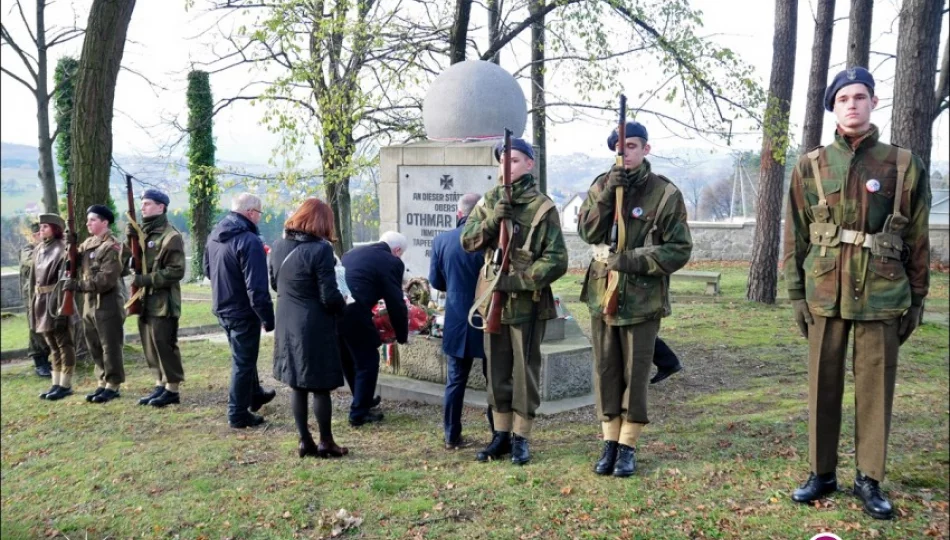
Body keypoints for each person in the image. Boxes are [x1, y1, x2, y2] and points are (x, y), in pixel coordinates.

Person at [785, 67, 931, 520]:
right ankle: (821, 472)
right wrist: (794, 293)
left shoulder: (901, 163)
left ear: (874, 103)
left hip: (883, 293)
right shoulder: (811, 164)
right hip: (824, 290)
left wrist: (918, 298)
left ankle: (869, 478)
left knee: (875, 389)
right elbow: (796, 235)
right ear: (833, 106)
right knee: (821, 386)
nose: (852, 104)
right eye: (844, 97)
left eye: (861, 96)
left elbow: (919, 238)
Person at [577, 121, 693, 477]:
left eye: (632, 145)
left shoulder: (664, 193)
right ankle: (609, 441)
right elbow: (587, 231)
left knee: (636, 372)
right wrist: (607, 195)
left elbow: (679, 249)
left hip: (642, 298)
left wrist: (630, 261)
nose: (624, 152)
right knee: (606, 370)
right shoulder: (601, 184)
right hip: (602, 293)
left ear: (646, 149)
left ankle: (628, 445)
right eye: (619, 147)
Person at [461, 137, 568, 466]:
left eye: (515, 160)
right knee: (497, 372)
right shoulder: (490, 200)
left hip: (527, 304)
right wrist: (493, 221)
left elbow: (557, 259)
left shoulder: (542, 207)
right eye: (502, 161)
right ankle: (501, 435)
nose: (507, 167)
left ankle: (521, 437)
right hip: (493, 302)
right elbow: (467, 240)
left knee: (524, 373)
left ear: (529, 165)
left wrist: (519, 281)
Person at [269, 198, 349, 457]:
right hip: (312, 323)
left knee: (297, 383)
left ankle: (305, 440)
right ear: (323, 222)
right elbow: (328, 295)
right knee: (320, 385)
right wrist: (345, 304)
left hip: (285, 319)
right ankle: (326, 441)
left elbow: (274, 283)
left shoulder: (279, 245)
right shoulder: (321, 250)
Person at [205, 193, 277, 428]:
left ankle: (254, 394)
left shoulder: (215, 235)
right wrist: (267, 317)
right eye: (259, 214)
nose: (259, 218)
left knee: (244, 356)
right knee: (243, 362)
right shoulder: (249, 241)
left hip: (222, 306)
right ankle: (237, 413)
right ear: (250, 212)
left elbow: (208, 269)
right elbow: (257, 288)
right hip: (242, 311)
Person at [429, 193, 494, 450]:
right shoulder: (492, 239)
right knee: (496, 379)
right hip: (489, 314)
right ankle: (498, 432)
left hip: (457, 315)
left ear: (458, 214)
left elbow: (435, 281)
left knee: (455, 380)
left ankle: (451, 435)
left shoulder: (442, 240)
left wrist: (455, 289)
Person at [339, 231, 410, 426]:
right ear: (396, 250)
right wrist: (402, 334)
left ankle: (362, 399)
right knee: (368, 360)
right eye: (401, 254)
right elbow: (395, 302)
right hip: (355, 312)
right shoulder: (391, 261)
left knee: (349, 358)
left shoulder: (353, 252)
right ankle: (359, 413)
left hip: (335, 310)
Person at [126, 189, 186, 408]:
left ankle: (172, 388)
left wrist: (145, 280)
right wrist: (129, 237)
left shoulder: (171, 236)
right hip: (145, 300)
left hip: (164, 301)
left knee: (164, 343)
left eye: (148, 204)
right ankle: (160, 383)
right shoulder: (143, 233)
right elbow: (130, 258)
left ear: (161, 207)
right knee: (149, 344)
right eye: (142, 204)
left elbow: (176, 271)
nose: (143, 208)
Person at [63, 205, 127, 403]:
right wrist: (70, 246)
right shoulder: (88, 243)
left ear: (104, 222)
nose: (87, 223)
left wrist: (78, 285)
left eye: (92, 220)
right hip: (90, 303)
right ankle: (102, 381)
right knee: (94, 344)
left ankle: (113, 384)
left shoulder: (112, 246)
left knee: (110, 345)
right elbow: (70, 262)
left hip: (107, 302)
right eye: (88, 220)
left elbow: (105, 280)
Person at [32, 213, 77, 400]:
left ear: (55, 229)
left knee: (63, 343)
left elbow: (64, 280)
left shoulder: (61, 249)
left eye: (45, 227)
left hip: (55, 301)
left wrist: (60, 309)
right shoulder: (40, 248)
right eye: (40, 227)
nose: (41, 230)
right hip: (41, 302)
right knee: (52, 345)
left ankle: (65, 384)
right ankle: (55, 383)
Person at [19, 221, 52, 378]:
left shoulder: (49, 248)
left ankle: (48, 359)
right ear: (33, 236)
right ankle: (39, 361)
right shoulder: (27, 250)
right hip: (31, 296)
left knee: (47, 326)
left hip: (46, 295)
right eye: (39, 233)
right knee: (35, 328)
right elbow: (33, 261)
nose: (43, 235)